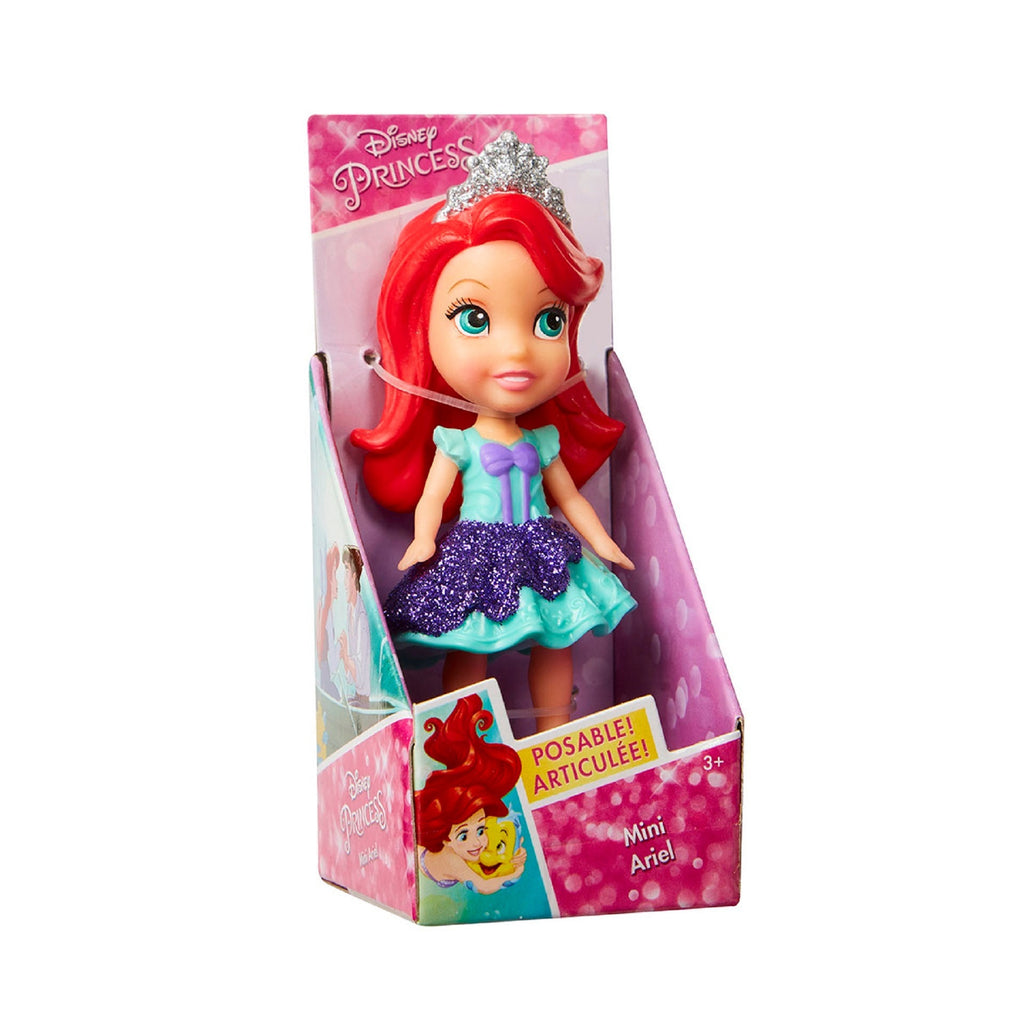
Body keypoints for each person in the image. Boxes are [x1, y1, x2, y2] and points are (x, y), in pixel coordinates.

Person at [352, 131, 635, 731]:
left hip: (542, 545)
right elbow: (433, 499)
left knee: (558, 637)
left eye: (548, 320)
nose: (517, 352)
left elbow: (569, 499)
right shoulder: (457, 442)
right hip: (477, 549)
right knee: (470, 643)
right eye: (475, 318)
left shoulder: (542, 441)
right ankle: (464, 738)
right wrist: (423, 541)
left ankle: (555, 731)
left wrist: (602, 542)